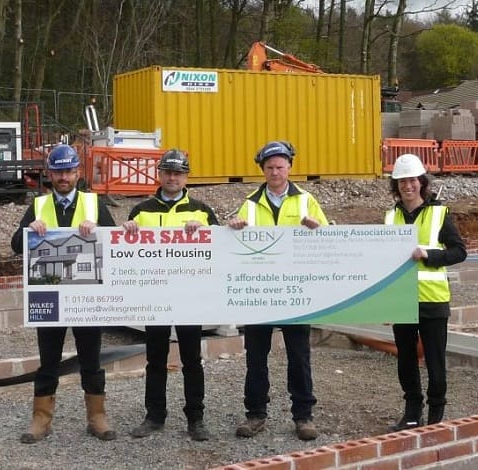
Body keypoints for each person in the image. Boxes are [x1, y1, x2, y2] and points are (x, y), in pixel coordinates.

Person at [11, 144, 118, 443]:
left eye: (69, 171)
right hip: (50, 296)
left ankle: (97, 416)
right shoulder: (39, 206)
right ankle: (41, 420)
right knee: (49, 360)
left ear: (78, 173)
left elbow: (116, 245)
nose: (63, 177)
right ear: (50, 173)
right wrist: (29, 230)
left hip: (86, 296)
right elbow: (17, 244)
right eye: (58, 171)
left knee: (91, 359)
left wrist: (99, 230)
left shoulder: (95, 205)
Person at [228, 140, 327, 441]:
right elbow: (233, 236)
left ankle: (303, 416)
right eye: (270, 167)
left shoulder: (306, 201)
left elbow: (330, 238)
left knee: (299, 356)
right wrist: (233, 226)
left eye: (280, 166)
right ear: (263, 169)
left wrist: (317, 229)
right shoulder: (249, 202)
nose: (275, 171)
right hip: (260, 291)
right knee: (256, 357)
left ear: (289, 168)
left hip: (295, 290)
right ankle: (255, 414)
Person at [123, 149, 218, 441]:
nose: (173, 177)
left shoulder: (201, 210)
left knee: (192, 359)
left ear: (186, 177)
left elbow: (220, 252)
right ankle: (154, 416)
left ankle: (196, 419)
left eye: (178, 173)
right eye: (168, 172)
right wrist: (127, 230)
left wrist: (205, 231)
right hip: (156, 296)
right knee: (155, 359)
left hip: (190, 297)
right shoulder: (141, 210)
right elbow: (128, 254)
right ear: (159, 174)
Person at [385, 153, 467, 431]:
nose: (407, 186)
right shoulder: (390, 217)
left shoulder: (439, 213)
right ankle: (411, 412)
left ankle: (435, 414)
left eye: (412, 181)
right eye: (401, 182)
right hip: (401, 300)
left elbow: (459, 252)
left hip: (432, 301)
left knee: (435, 362)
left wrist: (429, 255)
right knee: (406, 362)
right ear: (395, 186)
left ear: (421, 182)